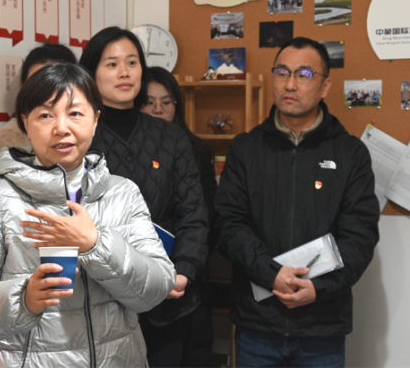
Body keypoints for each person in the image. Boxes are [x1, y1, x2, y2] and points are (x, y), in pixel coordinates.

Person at [0, 63, 175, 367]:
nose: (61, 127)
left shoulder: (122, 193)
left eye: (75, 113)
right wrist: (23, 298)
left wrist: (95, 244)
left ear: (95, 119)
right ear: (25, 122)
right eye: (46, 115)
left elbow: (156, 289)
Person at [216, 37, 379, 367]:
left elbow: (360, 236)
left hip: (322, 327)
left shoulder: (350, 153)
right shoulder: (245, 149)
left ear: (325, 86)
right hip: (257, 325)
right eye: (282, 73)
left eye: (304, 74)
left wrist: (319, 288)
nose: (290, 84)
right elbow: (228, 225)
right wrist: (271, 274)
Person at [79, 27, 211, 368]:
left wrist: (183, 272)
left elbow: (193, 212)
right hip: (100, 298)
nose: (124, 72)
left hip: (168, 294)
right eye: (111, 64)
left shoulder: (171, 137)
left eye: (132, 62)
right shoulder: (78, 137)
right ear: (91, 73)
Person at [140, 66, 220, 262]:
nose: (158, 109)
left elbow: (208, 214)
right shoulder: (130, 150)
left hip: (187, 258)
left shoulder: (198, 151)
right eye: (150, 102)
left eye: (166, 102)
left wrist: (191, 259)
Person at [0, 43, 79, 184]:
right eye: (36, 84)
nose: (46, 94)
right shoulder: (6, 141)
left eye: (54, 83)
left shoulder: (89, 130)